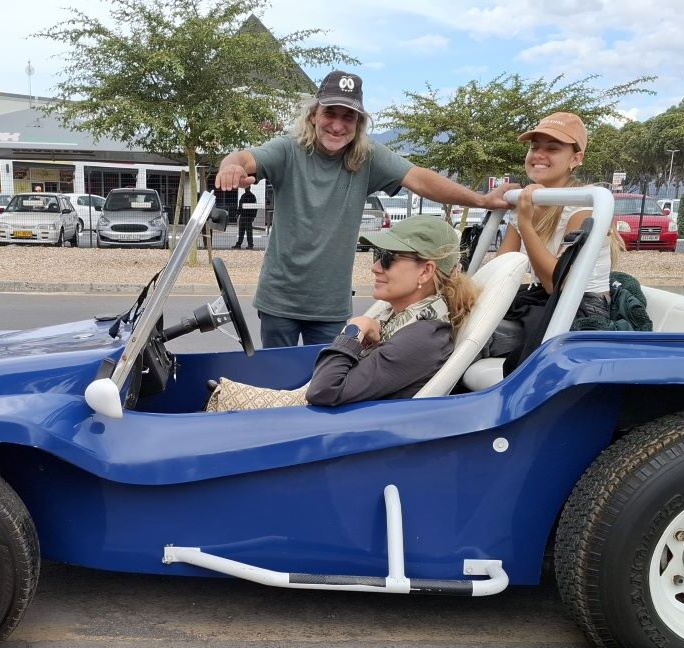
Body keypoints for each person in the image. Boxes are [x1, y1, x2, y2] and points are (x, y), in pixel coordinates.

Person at [215, 69, 514, 348]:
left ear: (358, 123)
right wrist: (230, 167)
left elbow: (420, 179)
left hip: (330, 306)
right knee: (278, 383)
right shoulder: (288, 149)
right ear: (314, 115)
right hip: (278, 300)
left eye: (349, 117)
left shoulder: (367, 156)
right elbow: (244, 158)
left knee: (325, 384)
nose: (337, 124)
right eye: (330, 113)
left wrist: (482, 200)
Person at [205, 216, 478, 411]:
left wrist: (355, 329)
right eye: (376, 255)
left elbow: (324, 390)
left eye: (388, 258)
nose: (375, 267)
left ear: (426, 271)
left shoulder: (422, 338)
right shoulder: (400, 320)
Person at [485, 112, 617, 358]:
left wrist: (526, 223)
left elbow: (556, 284)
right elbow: (502, 269)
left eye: (553, 149)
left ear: (575, 158)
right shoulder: (526, 202)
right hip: (543, 303)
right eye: (535, 147)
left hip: (578, 309)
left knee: (477, 340)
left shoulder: (584, 208)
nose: (539, 155)